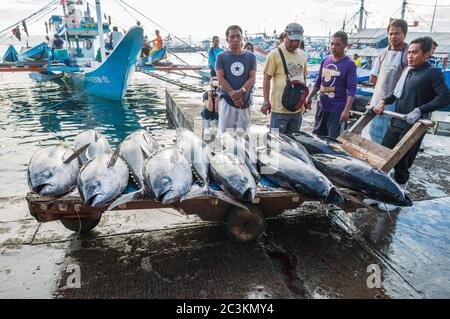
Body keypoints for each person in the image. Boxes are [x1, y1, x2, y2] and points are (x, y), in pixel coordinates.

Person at [372, 36, 450, 211]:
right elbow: (397, 93)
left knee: (402, 164)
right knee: (383, 157)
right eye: (409, 53)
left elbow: (445, 96)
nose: (410, 56)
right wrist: (384, 100)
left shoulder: (432, 73)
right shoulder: (408, 70)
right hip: (397, 120)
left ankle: (397, 197)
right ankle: (377, 192)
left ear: (427, 53)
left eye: (415, 53)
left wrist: (420, 110)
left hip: (414, 126)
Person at [363, 19, 409, 144]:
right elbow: (373, 76)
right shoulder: (383, 53)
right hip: (377, 100)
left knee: (389, 138)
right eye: (391, 33)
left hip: (396, 104)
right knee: (371, 135)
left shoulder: (408, 54)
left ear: (404, 34)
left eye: (397, 33)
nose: (393, 36)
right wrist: (379, 92)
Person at [305, 31, 357, 139]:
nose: (333, 47)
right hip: (322, 106)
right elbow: (318, 81)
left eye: (337, 44)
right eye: (332, 44)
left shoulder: (349, 64)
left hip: (337, 110)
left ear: (345, 46)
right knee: (317, 138)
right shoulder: (325, 60)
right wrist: (309, 97)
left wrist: (346, 110)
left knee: (332, 140)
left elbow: (352, 89)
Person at [262, 23, 308, 134]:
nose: (295, 43)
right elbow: (266, 78)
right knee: (275, 144)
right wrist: (266, 101)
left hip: (297, 110)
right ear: (284, 36)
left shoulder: (302, 55)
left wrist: (304, 100)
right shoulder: (275, 54)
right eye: (292, 40)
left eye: (298, 41)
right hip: (279, 110)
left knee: (294, 144)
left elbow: (304, 77)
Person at [216, 25, 257, 137]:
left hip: (245, 102)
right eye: (232, 36)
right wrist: (235, 96)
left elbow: (252, 78)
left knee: (243, 136)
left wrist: (242, 92)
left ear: (242, 38)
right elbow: (221, 78)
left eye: (238, 36)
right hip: (228, 102)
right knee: (225, 135)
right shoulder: (221, 57)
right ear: (227, 39)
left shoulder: (251, 57)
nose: (235, 39)